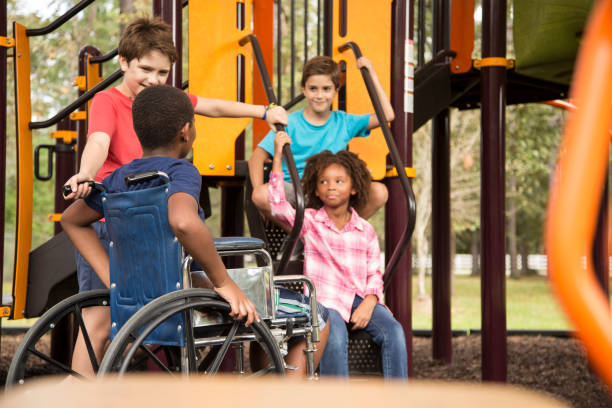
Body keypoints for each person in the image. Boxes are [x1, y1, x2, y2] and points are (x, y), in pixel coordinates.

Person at [62, 17, 287, 376]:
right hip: (112, 220)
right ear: (123, 62)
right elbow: (99, 140)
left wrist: (262, 112)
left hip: (154, 221)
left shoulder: (164, 104)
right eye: (144, 69)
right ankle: (78, 390)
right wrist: (87, 173)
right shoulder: (109, 100)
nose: (153, 79)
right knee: (99, 319)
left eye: (162, 72)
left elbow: (211, 106)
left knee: (162, 305)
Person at [268, 132, 407, 379]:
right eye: (324, 182)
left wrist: (371, 300)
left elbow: (374, 273)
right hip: (325, 300)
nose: (331, 186)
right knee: (335, 334)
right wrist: (278, 155)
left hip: (358, 298)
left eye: (339, 181)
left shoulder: (365, 230)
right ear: (316, 190)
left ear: (354, 188)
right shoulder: (310, 222)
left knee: (393, 331)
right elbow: (278, 206)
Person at [249, 55, 393, 223]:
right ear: (304, 89)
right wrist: (261, 202)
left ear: (335, 90)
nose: (319, 95)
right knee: (260, 195)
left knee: (379, 192)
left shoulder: (344, 122)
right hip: (295, 190)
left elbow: (387, 115)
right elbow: (256, 158)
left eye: (326, 89)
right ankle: (308, 237)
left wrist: (371, 74)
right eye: (313, 89)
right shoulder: (289, 122)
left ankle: (336, 232)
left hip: (330, 189)